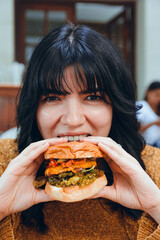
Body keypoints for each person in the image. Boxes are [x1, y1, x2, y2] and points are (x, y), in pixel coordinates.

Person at [0, 23, 160, 240]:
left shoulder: (154, 167)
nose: (73, 120)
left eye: (93, 97)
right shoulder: (4, 163)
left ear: (116, 105)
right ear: (33, 107)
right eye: (52, 98)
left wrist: (155, 206)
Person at [137, 81, 160, 147]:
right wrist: (154, 122)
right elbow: (137, 130)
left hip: (156, 144)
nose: (158, 99)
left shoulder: (157, 108)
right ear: (148, 92)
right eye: (156, 95)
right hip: (145, 145)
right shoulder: (141, 106)